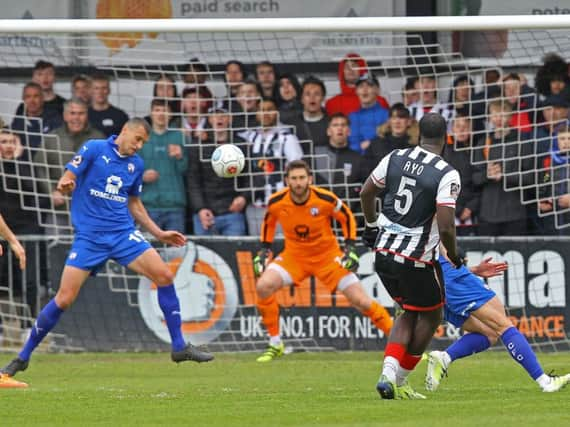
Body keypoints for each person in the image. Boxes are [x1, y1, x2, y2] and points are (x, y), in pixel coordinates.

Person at [0, 118, 214, 382]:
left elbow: (134, 203)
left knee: (165, 276)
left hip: (123, 234)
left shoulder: (136, 165)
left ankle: (179, 346)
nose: (139, 146)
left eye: (143, 143)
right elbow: (67, 177)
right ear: (125, 131)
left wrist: (158, 233)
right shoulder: (94, 148)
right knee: (64, 299)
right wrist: (64, 184)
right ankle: (22, 357)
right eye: (137, 139)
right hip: (90, 238)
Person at [359, 113, 462, 400]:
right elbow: (445, 225)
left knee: (408, 309)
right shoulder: (446, 172)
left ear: (418, 135)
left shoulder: (394, 157)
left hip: (382, 251)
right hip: (416, 259)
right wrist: (453, 254)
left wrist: (370, 225)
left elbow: (367, 192)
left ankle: (387, 375)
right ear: (445, 138)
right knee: (431, 316)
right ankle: (400, 378)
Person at [253, 160, 393, 362]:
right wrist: (264, 250)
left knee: (361, 301)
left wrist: (350, 247)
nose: (298, 182)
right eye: (294, 178)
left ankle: (398, 345)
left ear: (309, 179)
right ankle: (275, 343)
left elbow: (346, 216)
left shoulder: (324, 198)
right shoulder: (276, 202)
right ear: (287, 181)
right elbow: (268, 223)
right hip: (294, 256)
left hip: (328, 257)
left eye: (302, 178)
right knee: (263, 286)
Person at [425, 247, 570, 393]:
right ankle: (545, 382)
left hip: (426, 283)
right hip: (451, 277)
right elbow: (444, 235)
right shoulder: (436, 228)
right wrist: (457, 266)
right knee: (503, 326)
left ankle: (444, 358)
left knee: (490, 333)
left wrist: (471, 270)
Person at [187, 106, 247, 236]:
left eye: (223, 115)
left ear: (229, 119)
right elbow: (193, 181)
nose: (219, 118)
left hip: (233, 213)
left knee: (235, 254)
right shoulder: (199, 146)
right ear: (209, 119)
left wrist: (243, 197)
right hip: (205, 214)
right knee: (205, 255)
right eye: (215, 115)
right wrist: (200, 208)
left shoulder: (241, 145)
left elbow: (249, 177)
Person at [138, 99, 188, 233]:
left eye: (165, 110)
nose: (161, 114)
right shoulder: (141, 138)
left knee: (176, 252)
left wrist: (180, 157)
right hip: (148, 205)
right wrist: (141, 177)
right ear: (151, 113)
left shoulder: (180, 136)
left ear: (171, 114)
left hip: (174, 205)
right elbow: (129, 170)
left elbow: (188, 171)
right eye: (157, 110)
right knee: (148, 251)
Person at [348, 73, 389, 154]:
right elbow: (349, 145)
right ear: (356, 91)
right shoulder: (351, 117)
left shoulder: (387, 115)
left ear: (377, 90)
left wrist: (368, 144)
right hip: (357, 161)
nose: (364, 89)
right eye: (361, 86)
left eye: (369, 85)